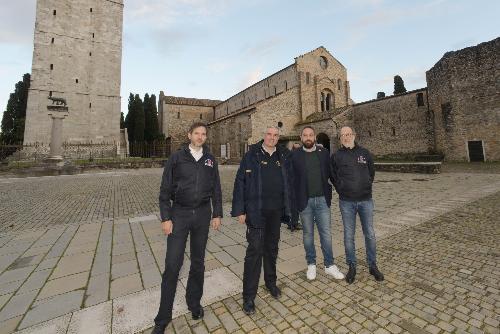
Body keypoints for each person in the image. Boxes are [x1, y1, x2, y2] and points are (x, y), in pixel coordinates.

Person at [151, 122, 223, 334]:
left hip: (202, 214)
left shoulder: (210, 160)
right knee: (173, 264)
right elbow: (164, 190)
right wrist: (166, 217)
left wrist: (217, 213)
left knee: (198, 263)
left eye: (203, 134)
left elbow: (216, 189)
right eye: (197, 133)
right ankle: (162, 318)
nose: (200, 137)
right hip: (179, 214)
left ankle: (194, 303)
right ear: (189, 135)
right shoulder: (177, 158)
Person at [231, 126, 293, 315]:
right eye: (269, 134)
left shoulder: (283, 156)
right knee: (255, 252)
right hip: (256, 212)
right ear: (264, 136)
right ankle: (248, 297)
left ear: (278, 138)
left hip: (276, 212)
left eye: (275, 135)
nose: (272, 138)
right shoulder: (252, 155)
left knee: (272, 249)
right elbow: (240, 182)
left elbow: (290, 181)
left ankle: (270, 283)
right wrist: (240, 210)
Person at [330, 126, 384, 284]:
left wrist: (366, 185)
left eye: (348, 134)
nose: (346, 137)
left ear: (354, 135)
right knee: (349, 236)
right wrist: (341, 189)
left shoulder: (365, 153)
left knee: (370, 234)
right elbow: (333, 176)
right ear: (340, 138)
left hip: (365, 200)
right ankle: (351, 266)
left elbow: (371, 173)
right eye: (343, 135)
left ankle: (372, 265)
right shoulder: (336, 156)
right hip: (346, 202)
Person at [290, 126, 344, 281]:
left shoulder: (324, 153)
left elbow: (332, 174)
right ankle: (311, 264)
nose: (308, 137)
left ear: (314, 137)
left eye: (311, 135)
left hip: (322, 200)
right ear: (301, 138)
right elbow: (291, 179)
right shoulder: (295, 156)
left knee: (326, 234)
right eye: (305, 135)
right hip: (304, 201)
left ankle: (329, 265)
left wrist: (342, 190)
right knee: (308, 235)